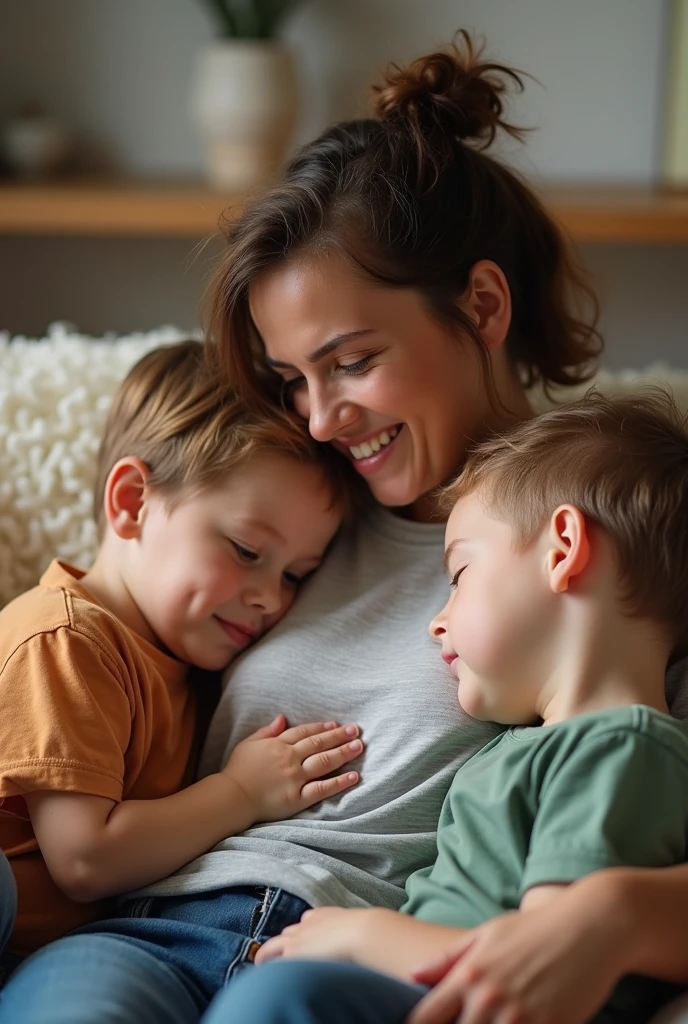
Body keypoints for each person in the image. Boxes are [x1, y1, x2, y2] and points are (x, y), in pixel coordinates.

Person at [2, 32, 687, 1024]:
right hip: (160, 921)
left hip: (355, 950)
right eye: (292, 380)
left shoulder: (610, 529)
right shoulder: (289, 511)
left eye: (353, 361)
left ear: (482, 304)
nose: (320, 418)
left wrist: (620, 911)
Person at [220, 389, 688, 1024]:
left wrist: (360, 937)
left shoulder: (621, 746)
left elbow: (537, 964)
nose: (437, 623)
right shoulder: (524, 746)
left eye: (461, 575)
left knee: (281, 998)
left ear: (563, 550)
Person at [0, 339, 362, 965]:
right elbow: (84, 859)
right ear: (133, 502)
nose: (269, 600)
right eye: (247, 551)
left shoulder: (186, 664)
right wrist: (241, 793)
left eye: (295, 575)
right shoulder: (66, 640)